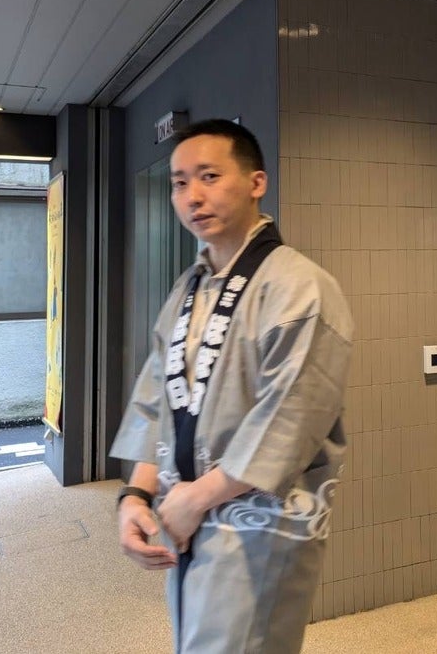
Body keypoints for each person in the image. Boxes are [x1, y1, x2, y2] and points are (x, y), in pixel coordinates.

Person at [110, 119, 353, 654]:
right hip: (186, 507)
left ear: (256, 182)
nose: (192, 196)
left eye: (210, 176)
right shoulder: (188, 287)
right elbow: (156, 400)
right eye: (179, 183)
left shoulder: (300, 287)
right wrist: (136, 495)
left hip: (259, 520)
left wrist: (197, 498)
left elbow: (291, 419)